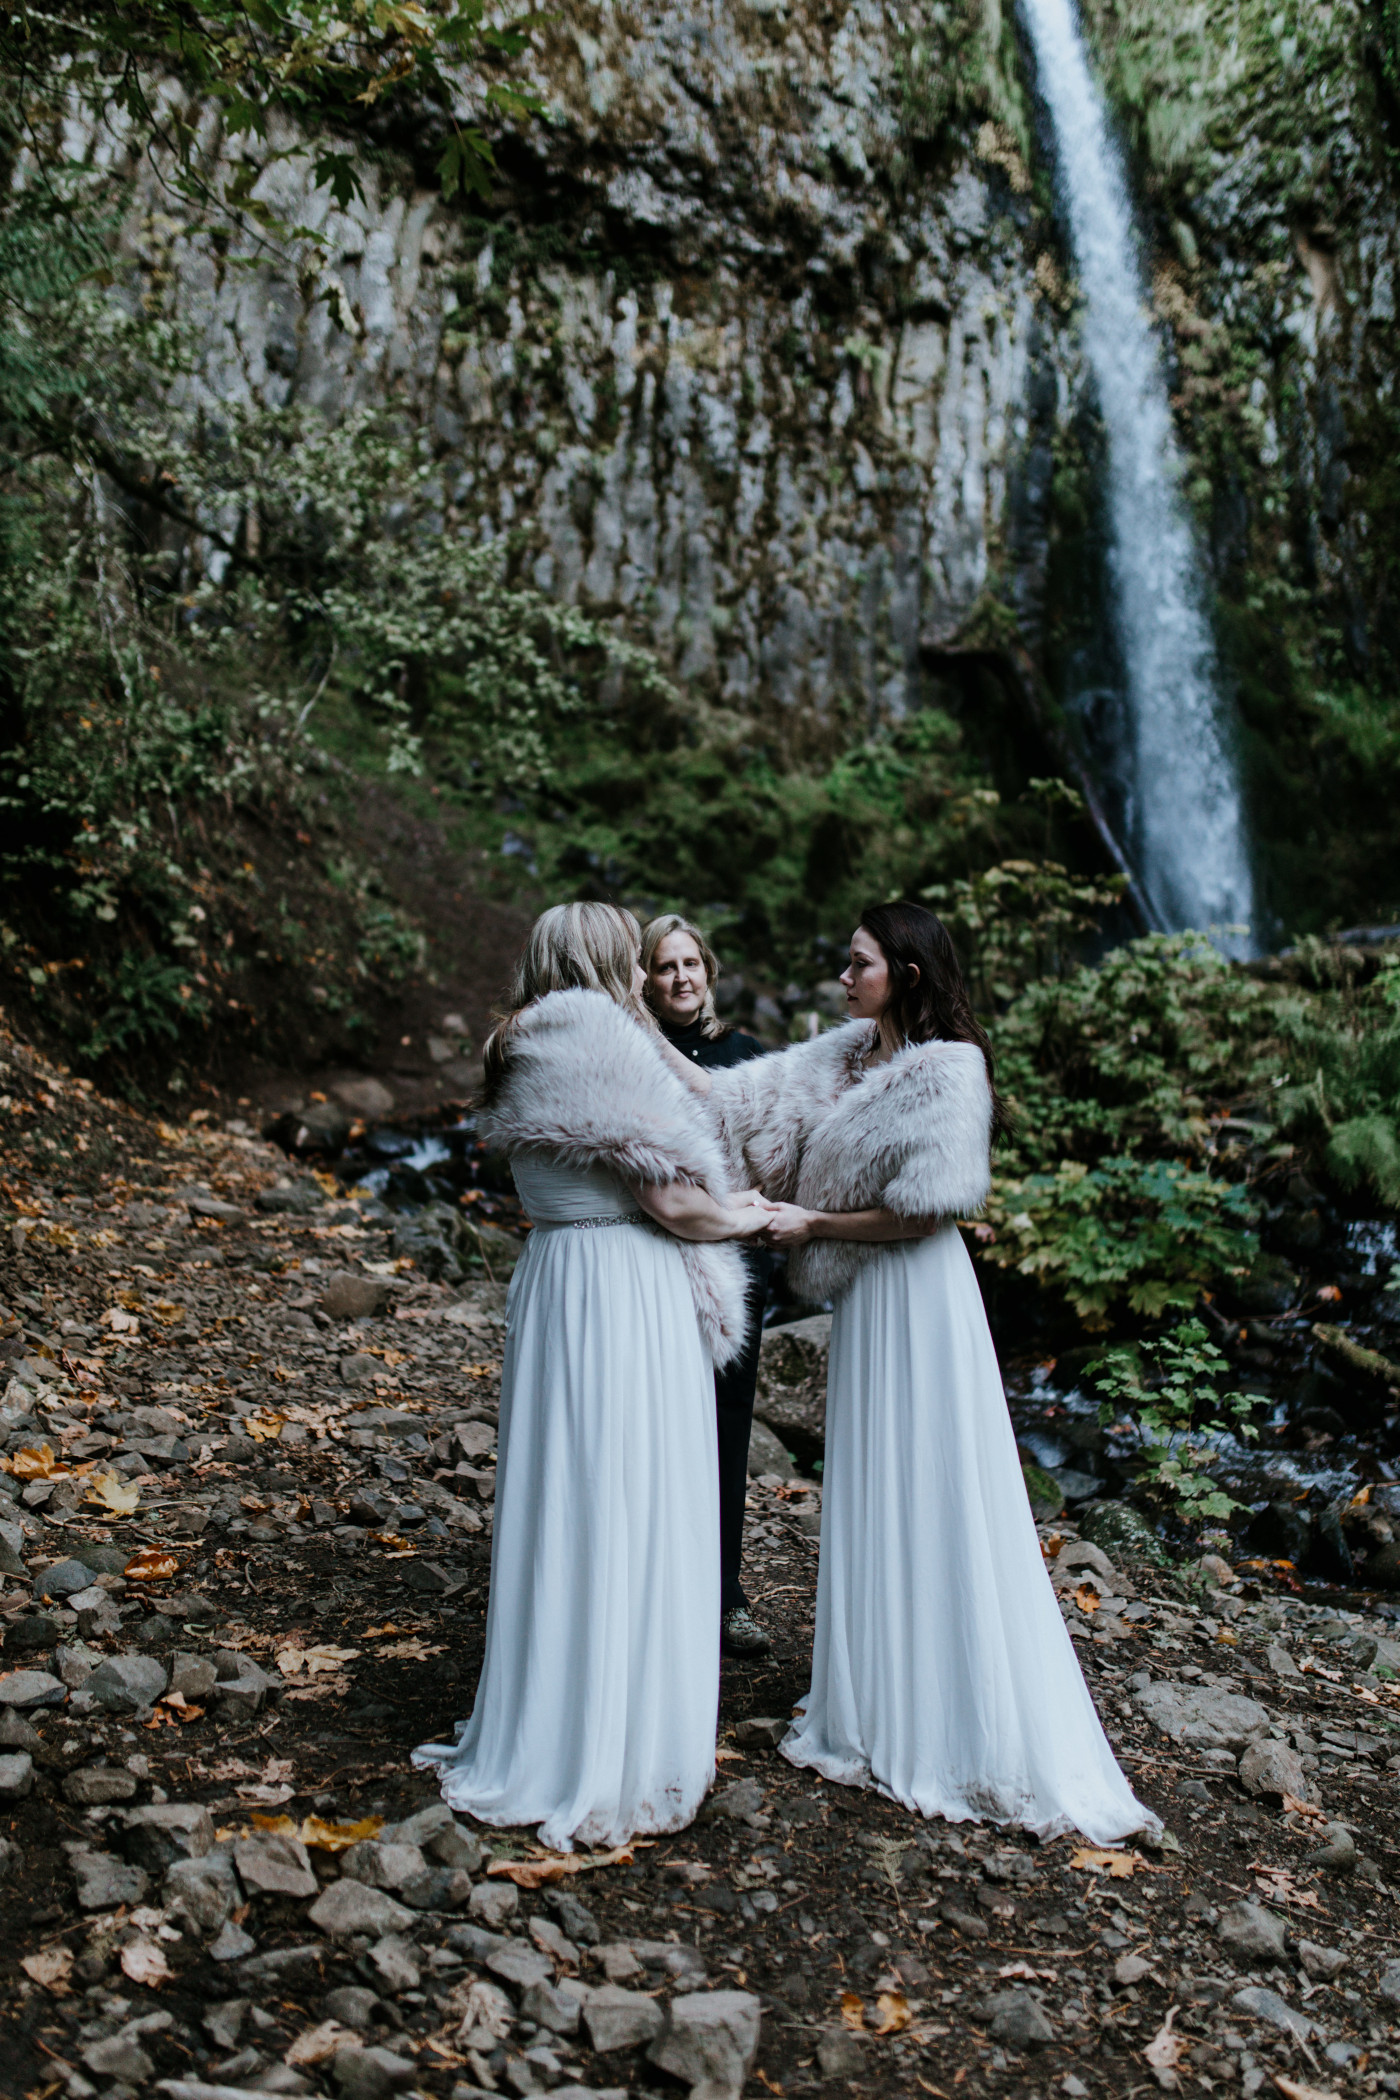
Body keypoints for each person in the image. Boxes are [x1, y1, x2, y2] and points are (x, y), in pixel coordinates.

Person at [685, 902, 1156, 1844]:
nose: (841, 976)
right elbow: (730, 1097)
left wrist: (811, 1225)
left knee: (934, 1481)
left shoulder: (951, 1070)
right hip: (864, 1301)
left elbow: (926, 1214)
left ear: (903, 970)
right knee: (873, 1484)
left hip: (918, 1294)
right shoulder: (844, 1052)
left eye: (856, 963)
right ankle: (870, 1698)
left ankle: (949, 1705)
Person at [412, 902, 771, 1850]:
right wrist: (746, 1213)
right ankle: (615, 1743)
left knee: (568, 1498)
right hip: (622, 1288)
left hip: (558, 1280)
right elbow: (669, 1200)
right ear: (609, 959)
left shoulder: (516, 1040)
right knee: (627, 1496)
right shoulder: (596, 1034)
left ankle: (557, 1716)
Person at [641, 913, 773, 1659]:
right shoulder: (628, 1056)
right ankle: (659, 1585)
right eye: (665, 967)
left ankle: (726, 1598)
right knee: (656, 1423)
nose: (682, 977)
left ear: (710, 973)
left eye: (692, 964)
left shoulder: (744, 1055)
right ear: (646, 980)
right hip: (653, 1255)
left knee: (725, 1426)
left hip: (732, 1261)